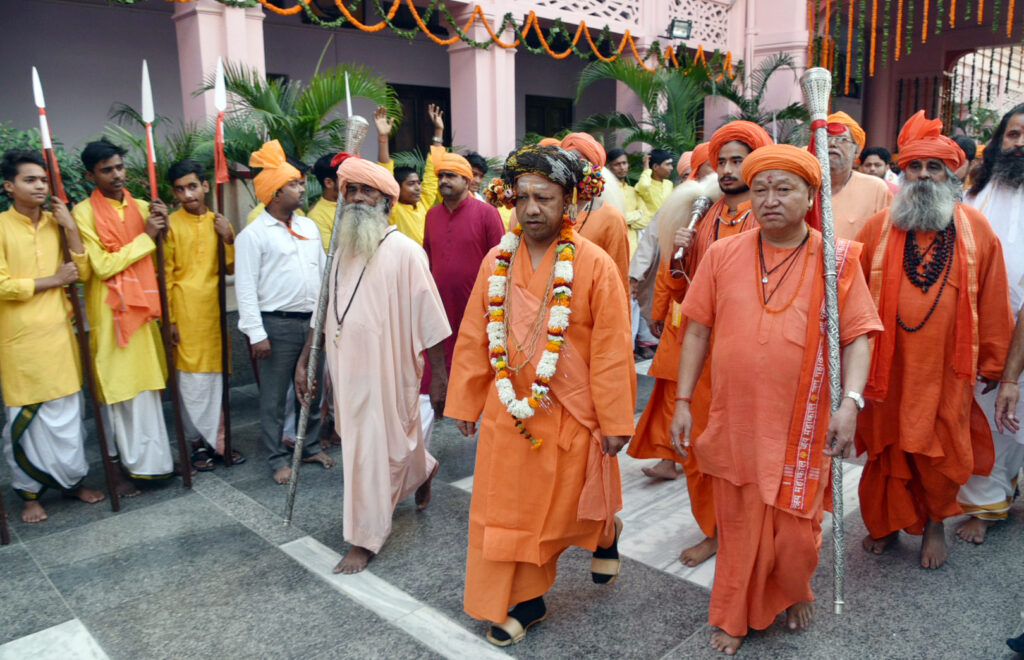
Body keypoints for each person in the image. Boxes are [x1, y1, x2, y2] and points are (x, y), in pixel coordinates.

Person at [670, 144, 881, 655]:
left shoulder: (838, 261)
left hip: (802, 423)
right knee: (739, 525)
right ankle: (733, 615)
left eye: (784, 188)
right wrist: (680, 400)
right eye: (761, 189)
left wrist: (850, 403)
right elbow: (696, 330)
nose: (769, 200)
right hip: (736, 419)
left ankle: (793, 588)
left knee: (795, 533)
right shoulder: (721, 254)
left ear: (811, 195)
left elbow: (859, 336)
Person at [447, 145, 635, 646]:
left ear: (569, 201)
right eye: (523, 197)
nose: (531, 209)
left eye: (545, 198)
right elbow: (473, 335)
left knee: (566, 507)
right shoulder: (497, 260)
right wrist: (466, 398)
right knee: (507, 510)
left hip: (572, 411)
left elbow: (612, 348)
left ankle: (604, 532)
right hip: (508, 410)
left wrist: (615, 421)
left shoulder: (593, 265)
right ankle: (526, 602)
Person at [855, 111, 1013, 569]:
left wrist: (994, 363)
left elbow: (996, 300)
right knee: (886, 449)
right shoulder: (878, 227)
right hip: (888, 368)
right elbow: (855, 301)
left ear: (952, 173)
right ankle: (883, 524)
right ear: (902, 173)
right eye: (914, 167)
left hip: (945, 370)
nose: (923, 176)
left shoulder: (976, 229)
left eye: (934, 168)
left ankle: (933, 525)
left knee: (939, 450)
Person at [295, 156, 449, 574]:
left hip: (389, 370)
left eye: (368, 191)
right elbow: (322, 308)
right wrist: (309, 354)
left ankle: (363, 539)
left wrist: (441, 379)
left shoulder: (406, 252)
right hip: (345, 370)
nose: (358, 197)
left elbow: (432, 322)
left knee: (373, 452)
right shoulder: (339, 250)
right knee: (370, 447)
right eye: (351, 190)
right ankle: (423, 468)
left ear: (386, 202)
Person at [629, 121, 771, 568]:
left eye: (737, 161)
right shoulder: (704, 214)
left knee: (743, 452)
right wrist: (680, 250)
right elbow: (682, 283)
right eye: (722, 161)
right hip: (700, 351)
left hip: (750, 356)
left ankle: (746, 533)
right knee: (695, 448)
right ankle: (713, 530)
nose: (727, 169)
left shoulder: (768, 215)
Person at [0, 150, 105, 521]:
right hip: (19, 340)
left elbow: (84, 271)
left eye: (43, 179)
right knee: (28, 420)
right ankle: (29, 495)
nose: (40, 185)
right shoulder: (0, 226)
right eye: (30, 180)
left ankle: (72, 483)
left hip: (60, 336)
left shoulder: (57, 223)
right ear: (9, 186)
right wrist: (52, 282)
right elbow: (2, 284)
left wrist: (72, 228)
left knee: (65, 416)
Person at [73, 138, 175, 493]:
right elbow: (101, 266)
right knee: (118, 392)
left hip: (144, 314)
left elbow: (162, 255)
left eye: (119, 167)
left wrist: (162, 227)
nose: (116, 175)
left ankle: (156, 465)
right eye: (106, 170)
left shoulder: (145, 207)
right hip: (110, 313)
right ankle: (123, 468)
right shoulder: (82, 214)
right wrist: (147, 236)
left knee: (146, 390)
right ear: (90, 175)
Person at [235, 140, 335, 484]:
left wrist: (323, 320)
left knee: (312, 388)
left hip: (311, 324)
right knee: (275, 396)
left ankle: (308, 447)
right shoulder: (253, 235)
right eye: (293, 184)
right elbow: (245, 288)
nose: (301, 188)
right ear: (275, 193)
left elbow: (322, 275)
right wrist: (256, 333)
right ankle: (277, 457)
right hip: (275, 326)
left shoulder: (307, 227)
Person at [956, 104, 1024, 543]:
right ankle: (987, 504)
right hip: (982, 334)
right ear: (999, 140)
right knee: (991, 420)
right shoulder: (973, 194)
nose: (1020, 144)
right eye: (1014, 134)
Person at [420, 145, 504, 445]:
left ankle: (481, 415)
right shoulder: (431, 215)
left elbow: (503, 260)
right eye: (441, 175)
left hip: (477, 307)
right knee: (438, 364)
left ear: (468, 181)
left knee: (477, 360)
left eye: (451, 176)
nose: (444, 181)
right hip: (440, 306)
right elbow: (429, 259)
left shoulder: (487, 214)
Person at [164, 159, 242, 471]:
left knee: (212, 381)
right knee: (190, 384)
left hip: (212, 314)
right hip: (183, 315)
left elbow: (232, 268)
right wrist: (169, 319)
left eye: (193, 186)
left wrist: (228, 239)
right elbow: (166, 276)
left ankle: (218, 438)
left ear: (206, 186)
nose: (188, 195)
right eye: (180, 189)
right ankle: (197, 445)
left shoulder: (220, 222)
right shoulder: (169, 225)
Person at [559, 132, 631, 293]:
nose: (572, 169)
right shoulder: (549, 210)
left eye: (580, 163)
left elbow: (618, 280)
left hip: (592, 306)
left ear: (594, 171)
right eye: (566, 161)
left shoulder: (611, 218)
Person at [375, 104, 442, 245]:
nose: (418, 187)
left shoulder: (423, 203)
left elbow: (431, 172)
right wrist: (383, 138)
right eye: (411, 184)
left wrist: (438, 130)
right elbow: (385, 176)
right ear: (397, 188)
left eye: (418, 183)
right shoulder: (394, 208)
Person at [826, 111, 893, 240]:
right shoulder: (805, 186)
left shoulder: (876, 189)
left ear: (856, 151)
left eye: (842, 139)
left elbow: (885, 241)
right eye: (826, 138)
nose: (832, 144)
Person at [606, 148, 650, 256]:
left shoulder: (633, 191)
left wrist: (625, 219)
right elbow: (611, 219)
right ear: (609, 167)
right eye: (617, 164)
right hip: (612, 247)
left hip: (633, 250)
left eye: (624, 163)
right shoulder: (606, 191)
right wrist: (637, 214)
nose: (622, 168)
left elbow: (646, 220)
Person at [308, 152, 342, 252]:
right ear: (329, 183)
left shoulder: (355, 200)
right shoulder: (317, 216)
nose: (350, 182)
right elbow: (331, 255)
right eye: (344, 178)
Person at [635, 149, 675, 219]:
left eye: (671, 164)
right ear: (655, 167)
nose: (671, 168)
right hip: (650, 227)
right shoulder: (644, 185)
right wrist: (646, 168)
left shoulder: (669, 184)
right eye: (668, 164)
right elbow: (644, 185)